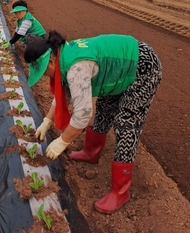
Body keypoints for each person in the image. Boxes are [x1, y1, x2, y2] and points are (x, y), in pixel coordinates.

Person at [24, 31, 162, 214]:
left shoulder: (76, 68)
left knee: (126, 122)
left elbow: (82, 114)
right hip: (116, 70)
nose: (43, 76)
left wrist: (62, 141)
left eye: (42, 71)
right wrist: (47, 121)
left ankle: (121, 192)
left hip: (142, 67)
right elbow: (63, 93)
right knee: (104, 107)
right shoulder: (63, 56)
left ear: (50, 61)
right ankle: (91, 152)